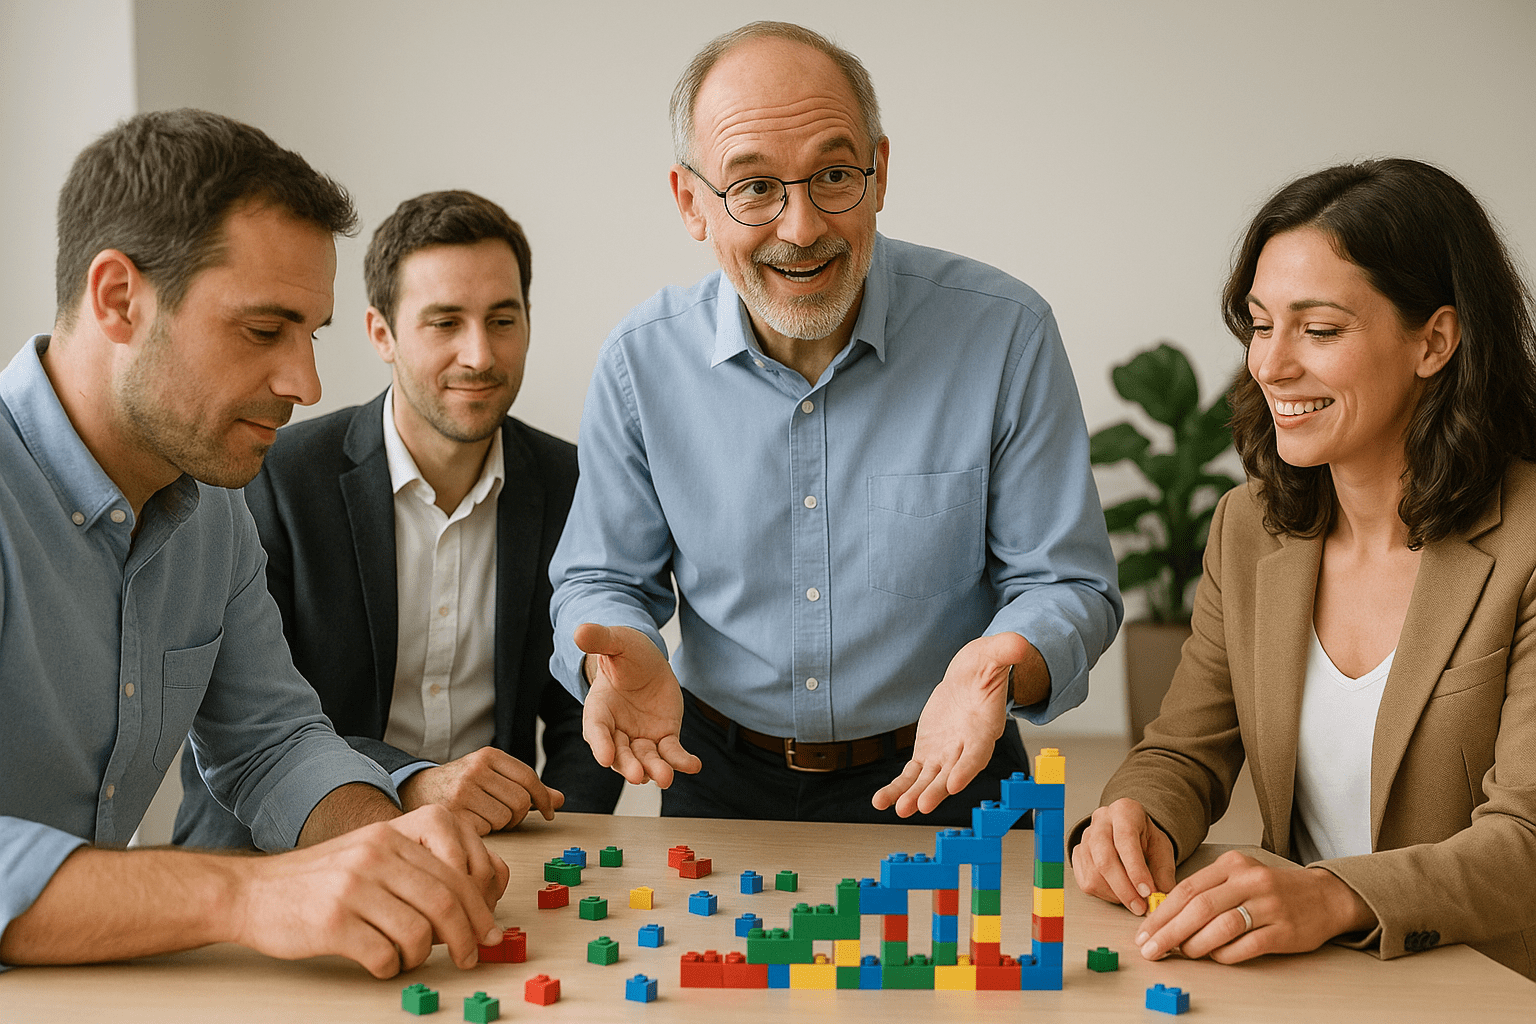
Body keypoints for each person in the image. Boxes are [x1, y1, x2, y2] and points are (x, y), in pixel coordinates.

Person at [549, 21, 1121, 823]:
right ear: (691, 202)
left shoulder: (1005, 334)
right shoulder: (640, 363)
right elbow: (601, 575)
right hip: (718, 782)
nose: (802, 227)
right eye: (754, 187)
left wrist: (1003, 662)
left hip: (951, 772)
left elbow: (1066, 581)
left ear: (880, 173)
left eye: (833, 175)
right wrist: (616, 644)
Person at [0, 109, 507, 978]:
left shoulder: (212, 509)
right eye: (264, 331)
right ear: (119, 298)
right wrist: (248, 896)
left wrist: (390, 847)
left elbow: (271, 743)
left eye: (310, 335)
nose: (305, 383)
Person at [1069, 158, 1536, 979]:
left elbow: (1526, 840)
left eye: (1318, 330)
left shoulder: (1527, 543)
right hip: (1305, 978)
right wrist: (1137, 816)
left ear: (1435, 340)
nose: (1271, 365)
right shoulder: (1247, 527)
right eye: (1259, 324)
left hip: (1485, 986)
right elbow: (1185, 751)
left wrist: (1331, 894)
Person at [173, 191, 623, 848]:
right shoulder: (272, 474)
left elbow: (580, 703)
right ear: (381, 333)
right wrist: (411, 781)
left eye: (503, 320)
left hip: (488, 851)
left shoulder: (572, 482)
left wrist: (564, 835)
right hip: (278, 846)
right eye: (445, 323)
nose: (479, 355)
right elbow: (253, 719)